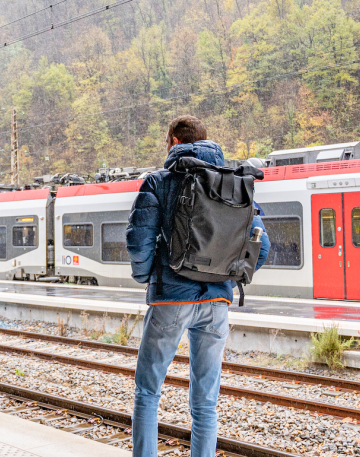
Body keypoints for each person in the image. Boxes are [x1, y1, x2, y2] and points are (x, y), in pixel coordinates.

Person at [125, 115, 270, 457]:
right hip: (217, 301)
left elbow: (138, 240)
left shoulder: (159, 181)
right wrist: (231, 274)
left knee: (148, 391)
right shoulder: (235, 182)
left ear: (174, 141)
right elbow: (261, 246)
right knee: (206, 402)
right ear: (207, 141)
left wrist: (148, 276)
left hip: (171, 299)